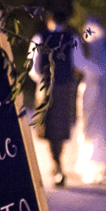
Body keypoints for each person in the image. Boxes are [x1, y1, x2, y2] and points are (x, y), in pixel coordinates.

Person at [73, 15, 106, 185]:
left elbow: (85, 67)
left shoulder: (90, 46)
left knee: (99, 128)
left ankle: (104, 167)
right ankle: (105, 166)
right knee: (101, 129)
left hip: (99, 93)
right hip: (102, 92)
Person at [29, 14, 80, 186]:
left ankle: (56, 165)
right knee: (61, 127)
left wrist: (42, 80)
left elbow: (33, 67)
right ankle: (58, 165)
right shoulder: (71, 38)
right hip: (65, 87)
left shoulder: (40, 37)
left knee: (49, 128)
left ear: (49, 20)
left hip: (46, 87)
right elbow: (77, 64)